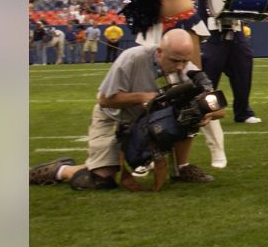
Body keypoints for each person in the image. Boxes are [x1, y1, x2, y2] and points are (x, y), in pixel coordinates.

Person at [28, 29, 223, 189]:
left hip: (150, 125)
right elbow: (104, 100)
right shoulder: (132, 58)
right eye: (174, 60)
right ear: (159, 52)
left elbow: (218, 108)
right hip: (115, 118)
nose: (180, 66)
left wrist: (208, 115)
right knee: (100, 180)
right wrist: (142, 97)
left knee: (190, 113)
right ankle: (60, 169)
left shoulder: (188, 70)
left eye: (184, 60)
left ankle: (181, 168)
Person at [113, 0, 224, 167]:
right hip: (158, 29)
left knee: (195, 91)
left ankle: (215, 148)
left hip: (184, 25)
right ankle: (150, 150)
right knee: (156, 93)